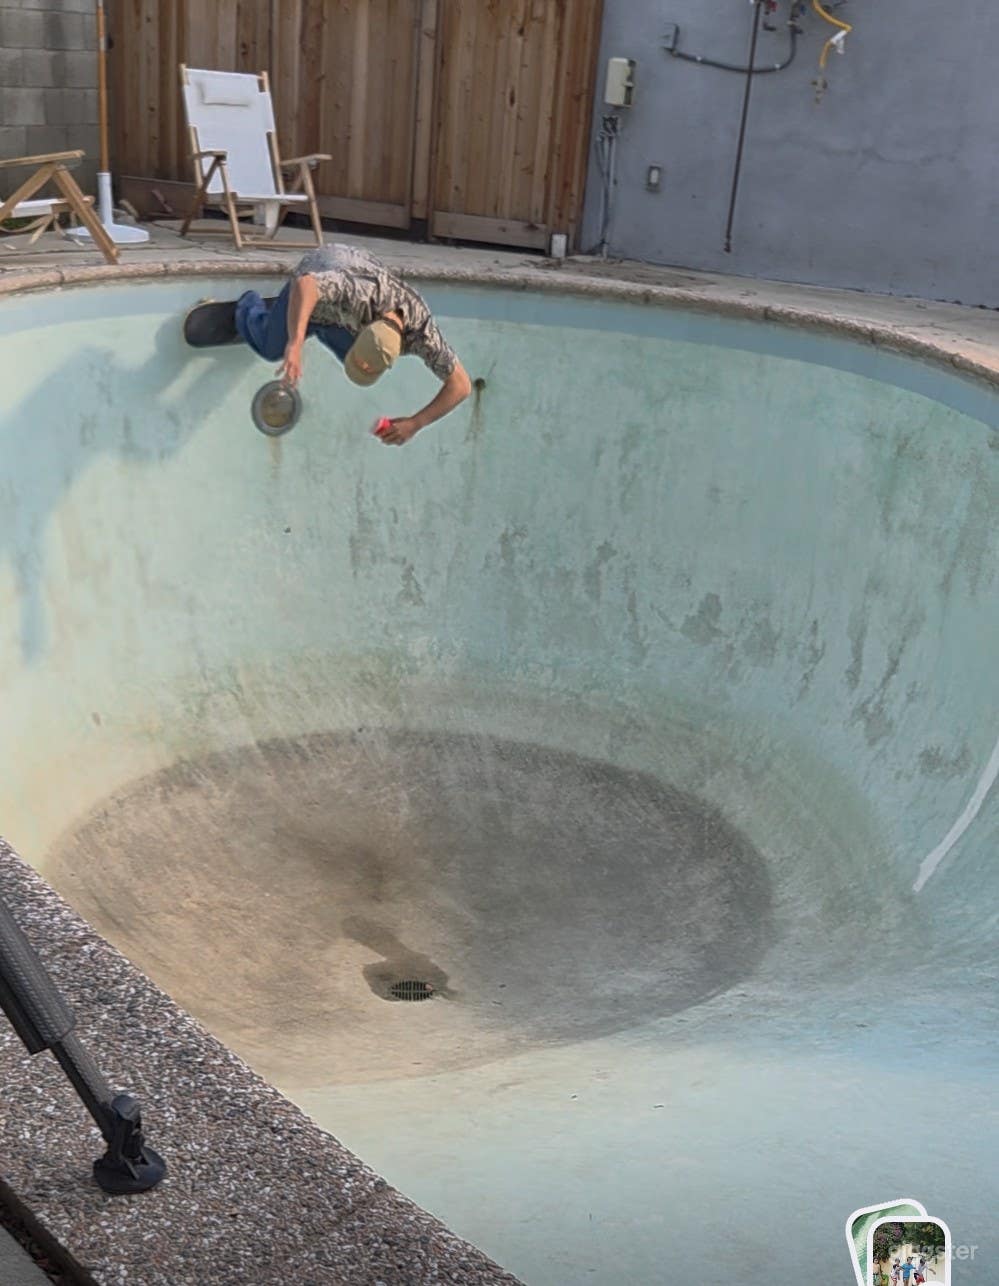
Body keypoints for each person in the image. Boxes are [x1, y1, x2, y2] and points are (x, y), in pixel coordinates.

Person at [235, 243, 472, 446]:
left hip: (347, 297)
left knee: (345, 347)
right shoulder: (359, 294)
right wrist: (295, 342)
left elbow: (461, 386)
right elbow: (307, 284)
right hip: (325, 265)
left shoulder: (424, 336)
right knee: (271, 348)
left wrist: (415, 423)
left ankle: (315, 322)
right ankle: (250, 306)